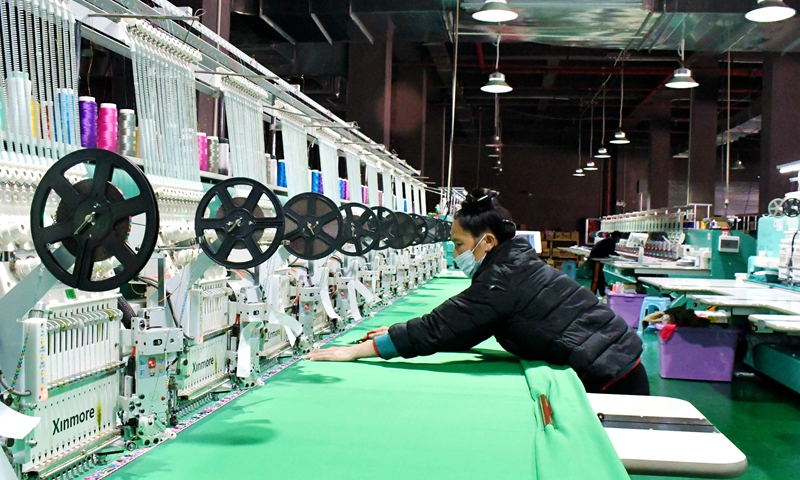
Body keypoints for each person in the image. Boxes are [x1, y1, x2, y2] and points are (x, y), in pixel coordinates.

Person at [304, 189, 648, 395]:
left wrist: (362, 351)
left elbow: (445, 327)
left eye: (458, 244)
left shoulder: (501, 279)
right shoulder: (512, 265)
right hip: (614, 360)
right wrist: (394, 333)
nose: (455, 254)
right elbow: (465, 324)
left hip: (611, 375)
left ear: (488, 242)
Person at [588, 231, 622, 296]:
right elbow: (611, 252)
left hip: (597, 259)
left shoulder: (607, 240)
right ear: (616, 237)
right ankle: (592, 294)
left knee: (601, 278)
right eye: (619, 238)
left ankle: (602, 293)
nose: (618, 240)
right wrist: (619, 256)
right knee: (596, 278)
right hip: (596, 261)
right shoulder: (611, 241)